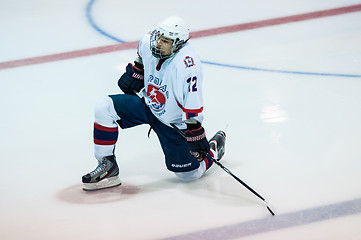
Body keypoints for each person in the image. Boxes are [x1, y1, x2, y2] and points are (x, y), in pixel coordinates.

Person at [82, 16, 226, 191]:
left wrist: (194, 132)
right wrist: (137, 72)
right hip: (148, 105)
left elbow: (191, 107)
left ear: (178, 44)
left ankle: (212, 150)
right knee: (104, 107)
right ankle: (108, 167)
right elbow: (141, 60)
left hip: (172, 123)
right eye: (159, 37)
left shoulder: (188, 66)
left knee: (188, 175)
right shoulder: (147, 41)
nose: (158, 43)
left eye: (166, 41)